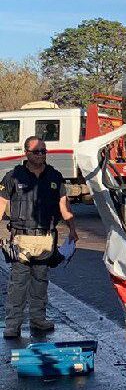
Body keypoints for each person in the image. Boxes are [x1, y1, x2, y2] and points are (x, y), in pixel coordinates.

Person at [1, 136, 78, 339]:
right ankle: (12, 325)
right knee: (18, 284)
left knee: (40, 282)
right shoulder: (13, 176)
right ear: (26, 153)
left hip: (45, 239)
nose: (41, 155)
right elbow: (0, 204)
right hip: (21, 240)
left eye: (43, 151)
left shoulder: (55, 176)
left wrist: (72, 228)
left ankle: (38, 320)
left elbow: (64, 205)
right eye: (36, 151)